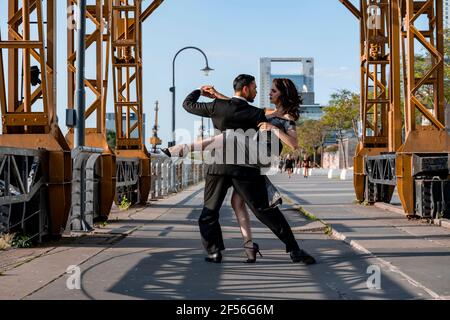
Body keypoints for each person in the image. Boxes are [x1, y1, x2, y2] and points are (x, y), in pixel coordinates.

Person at [178, 74, 316, 265]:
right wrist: (218, 94)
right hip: (246, 162)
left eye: (273, 90)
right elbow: (238, 106)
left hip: (253, 160)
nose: (267, 92)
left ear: (283, 94)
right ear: (246, 89)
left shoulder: (283, 116)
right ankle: (252, 247)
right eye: (262, 88)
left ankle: (219, 251)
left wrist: (273, 128)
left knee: (252, 210)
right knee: (240, 204)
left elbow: (293, 143)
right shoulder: (261, 112)